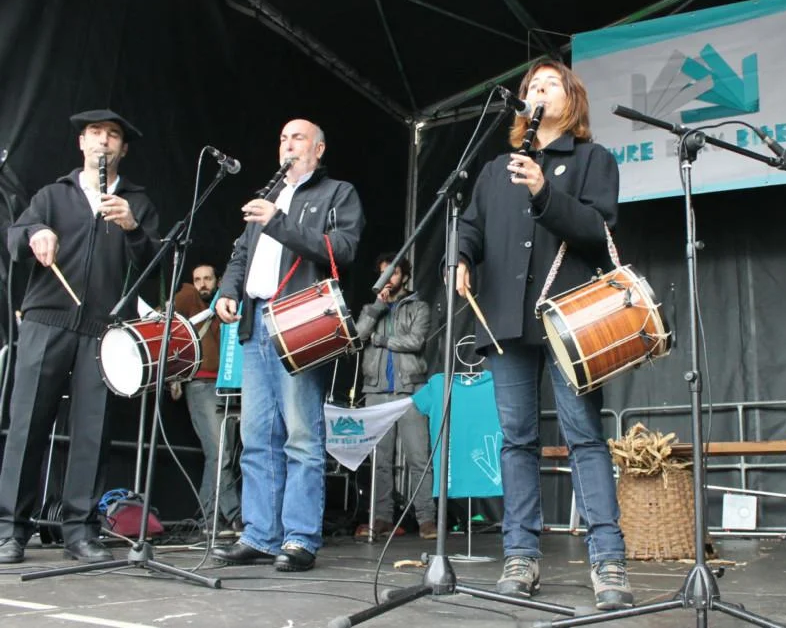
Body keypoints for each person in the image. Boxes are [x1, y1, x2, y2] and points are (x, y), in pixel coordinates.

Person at [455, 60, 633, 610]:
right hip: (505, 319)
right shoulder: (495, 169)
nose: (538, 90)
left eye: (550, 83)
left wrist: (544, 192)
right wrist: (460, 257)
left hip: (571, 317)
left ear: (571, 99)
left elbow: (599, 231)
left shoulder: (593, 159)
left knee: (584, 435)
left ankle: (608, 559)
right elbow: (470, 225)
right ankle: (520, 554)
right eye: (532, 86)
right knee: (516, 439)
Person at [0, 109, 160, 564]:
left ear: (123, 149)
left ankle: (80, 531)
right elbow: (15, 238)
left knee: (94, 429)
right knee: (27, 426)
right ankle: (10, 530)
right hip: (47, 321)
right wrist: (36, 233)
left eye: (113, 135)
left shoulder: (138, 203)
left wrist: (132, 229)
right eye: (95, 134)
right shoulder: (53, 194)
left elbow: (154, 269)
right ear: (82, 144)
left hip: (104, 329)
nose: (103, 141)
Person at [212, 119, 365, 572]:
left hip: (300, 323)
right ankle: (260, 534)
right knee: (256, 437)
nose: (287, 144)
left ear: (318, 148)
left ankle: (299, 538)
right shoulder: (270, 194)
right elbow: (241, 254)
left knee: (301, 435)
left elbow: (342, 249)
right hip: (255, 323)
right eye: (282, 138)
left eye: (297, 138)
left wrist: (278, 221)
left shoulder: (337, 193)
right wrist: (227, 291)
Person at [353, 252, 436, 540]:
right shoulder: (370, 309)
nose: (388, 279)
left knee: (419, 458)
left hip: (410, 390)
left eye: (394, 273)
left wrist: (380, 339)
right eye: (383, 273)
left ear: (405, 276)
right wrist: (378, 307)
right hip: (376, 391)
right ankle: (382, 518)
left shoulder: (419, 307)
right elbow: (357, 336)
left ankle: (427, 519)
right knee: (380, 460)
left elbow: (415, 342)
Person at [172, 263, 242, 535]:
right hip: (201, 384)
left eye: (207, 279)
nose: (202, 284)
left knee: (221, 456)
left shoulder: (227, 302)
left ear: (218, 280)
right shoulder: (189, 297)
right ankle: (235, 515)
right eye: (197, 279)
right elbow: (164, 320)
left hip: (228, 385)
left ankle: (209, 519)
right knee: (220, 452)